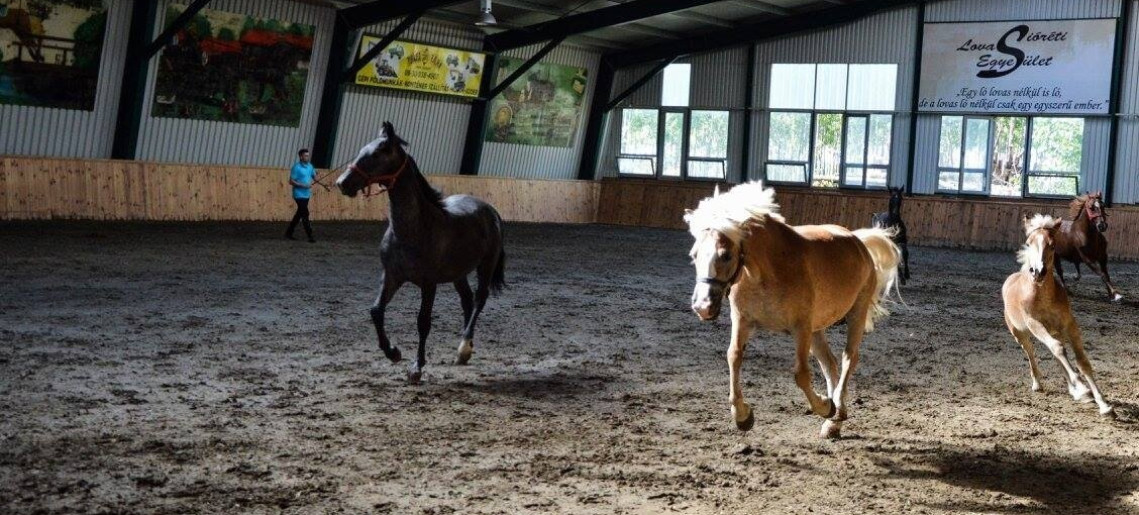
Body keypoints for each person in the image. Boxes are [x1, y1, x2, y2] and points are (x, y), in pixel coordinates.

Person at [285, 148, 316, 243]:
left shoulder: (310, 166)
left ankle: (289, 232)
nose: (307, 157)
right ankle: (310, 236)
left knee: (299, 214)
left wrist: (316, 177)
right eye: (305, 155)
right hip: (298, 194)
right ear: (301, 156)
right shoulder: (296, 167)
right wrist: (303, 185)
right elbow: (291, 181)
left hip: (307, 194)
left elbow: (313, 175)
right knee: (305, 213)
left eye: (308, 155)